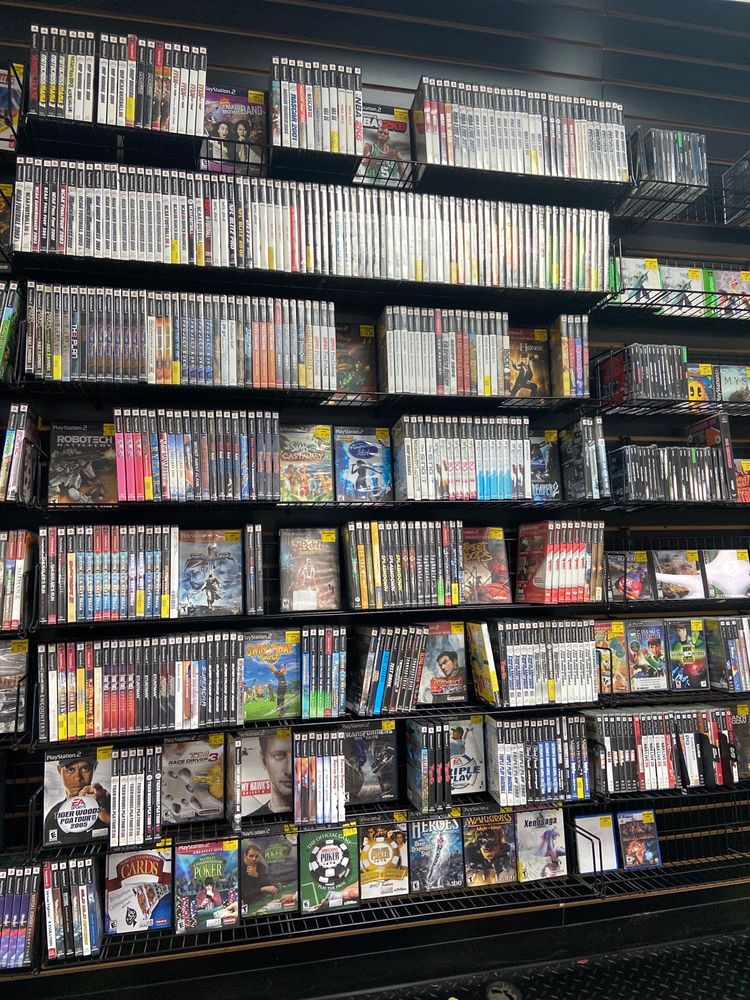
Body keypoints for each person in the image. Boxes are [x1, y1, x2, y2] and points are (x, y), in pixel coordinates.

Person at [43, 752, 111, 845]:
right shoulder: (52, 815)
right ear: (59, 771)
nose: (78, 778)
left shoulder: (108, 802)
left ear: (94, 769)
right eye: (70, 770)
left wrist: (104, 812)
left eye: (85, 769)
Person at [251, 731, 293, 815]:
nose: (290, 770)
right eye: (279, 755)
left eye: (298, 754)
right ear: (263, 760)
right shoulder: (250, 820)